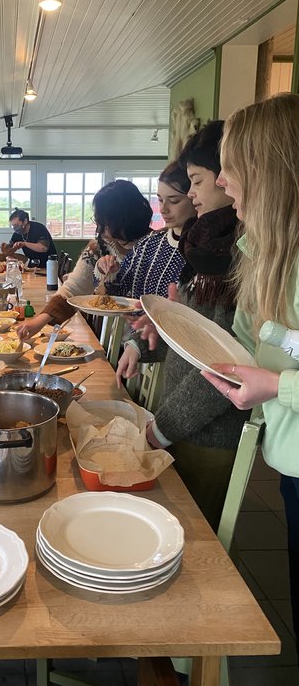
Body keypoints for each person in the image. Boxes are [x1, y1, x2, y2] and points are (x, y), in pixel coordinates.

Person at [199, 93, 299, 657]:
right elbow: (248, 340)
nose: (223, 180)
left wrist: (276, 387)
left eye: (232, 166)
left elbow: (277, 370)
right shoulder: (264, 251)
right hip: (289, 460)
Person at [117, 121, 250, 531]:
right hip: (179, 419)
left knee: (196, 539)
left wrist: (161, 429)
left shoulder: (239, 257)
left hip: (208, 431)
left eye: (196, 181)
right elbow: (193, 334)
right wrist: (147, 342)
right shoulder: (207, 245)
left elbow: (224, 364)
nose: (192, 194)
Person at [16, 179, 153, 339]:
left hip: (144, 344)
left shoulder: (155, 247)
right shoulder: (97, 248)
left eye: (104, 222)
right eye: (97, 220)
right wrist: (38, 323)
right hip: (104, 337)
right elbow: (73, 289)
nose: (99, 228)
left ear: (125, 218)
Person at [99, 162, 196, 298]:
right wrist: (110, 270)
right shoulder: (148, 244)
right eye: (160, 200)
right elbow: (117, 291)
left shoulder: (201, 250)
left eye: (174, 201)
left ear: (195, 198)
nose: (163, 209)